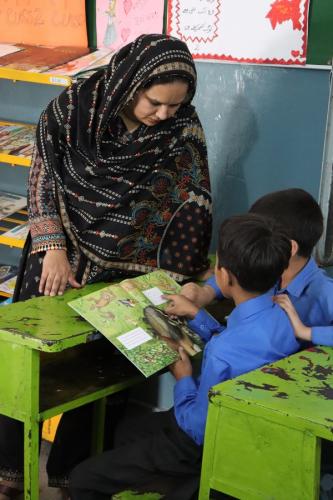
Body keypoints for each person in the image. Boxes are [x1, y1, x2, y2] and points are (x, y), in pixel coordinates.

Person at [0, 34, 212, 498]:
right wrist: (52, 246)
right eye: (155, 103)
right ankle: (10, 471)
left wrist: (173, 279)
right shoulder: (72, 110)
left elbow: (193, 200)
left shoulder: (182, 130)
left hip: (129, 271)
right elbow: (43, 180)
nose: (164, 115)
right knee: (27, 363)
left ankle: (73, 475)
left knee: (104, 372)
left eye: (175, 106)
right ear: (128, 84)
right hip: (58, 257)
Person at [68, 213, 300, 500]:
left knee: (82, 480)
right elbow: (241, 344)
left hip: (201, 442)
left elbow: (196, 429)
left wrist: (184, 378)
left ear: (223, 275)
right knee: (129, 431)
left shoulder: (221, 352)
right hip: (250, 437)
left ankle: (186, 484)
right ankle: (177, 487)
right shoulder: (288, 318)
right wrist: (197, 316)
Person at [182, 188, 333, 347]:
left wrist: (306, 332)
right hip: (236, 345)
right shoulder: (267, 266)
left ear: (289, 248)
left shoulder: (324, 292)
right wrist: (207, 292)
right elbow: (238, 268)